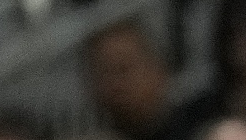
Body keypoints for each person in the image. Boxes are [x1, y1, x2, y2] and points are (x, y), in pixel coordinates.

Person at [80, 20, 216, 140]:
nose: (116, 85)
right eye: (104, 75)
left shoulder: (208, 121)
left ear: (158, 68)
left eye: (124, 69)